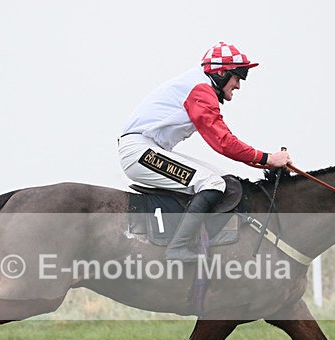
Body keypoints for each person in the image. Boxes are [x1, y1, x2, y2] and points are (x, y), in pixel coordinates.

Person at [118, 41, 292, 261]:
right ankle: (177, 248)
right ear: (221, 73)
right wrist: (268, 158)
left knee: (222, 181)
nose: (238, 85)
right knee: (213, 184)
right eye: (238, 78)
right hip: (140, 153)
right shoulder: (201, 90)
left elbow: (224, 142)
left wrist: (266, 161)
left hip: (147, 149)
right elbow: (224, 142)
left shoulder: (197, 84)